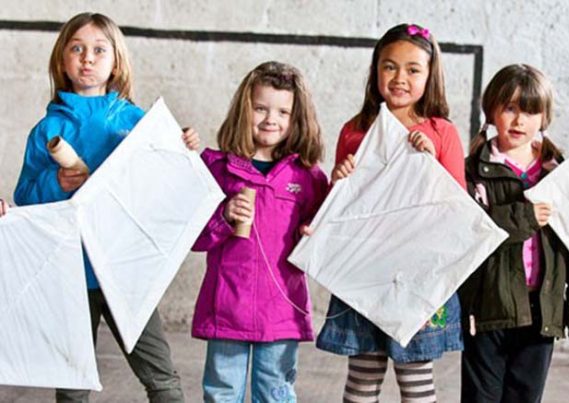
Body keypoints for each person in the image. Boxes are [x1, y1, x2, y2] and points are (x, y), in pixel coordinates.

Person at [13, 12, 198, 402]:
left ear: (116, 61)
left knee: (161, 376)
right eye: (77, 48)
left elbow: (163, 185)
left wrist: (183, 147)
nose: (87, 58)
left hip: (125, 270)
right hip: (71, 273)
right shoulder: (47, 130)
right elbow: (25, 198)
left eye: (99, 50)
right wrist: (55, 182)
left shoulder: (135, 122)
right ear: (61, 60)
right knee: (74, 383)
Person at [316, 23, 466, 403]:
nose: (400, 78)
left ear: (430, 77)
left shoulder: (441, 131)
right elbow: (343, 207)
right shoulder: (355, 129)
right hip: (366, 270)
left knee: (416, 378)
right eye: (389, 66)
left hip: (418, 274)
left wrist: (429, 164)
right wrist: (339, 179)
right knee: (362, 379)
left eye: (413, 69)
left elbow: (458, 208)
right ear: (375, 71)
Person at [460, 63, 569, 403]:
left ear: (544, 117)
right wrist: (524, 216)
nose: (520, 120)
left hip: (541, 313)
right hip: (488, 310)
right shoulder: (473, 170)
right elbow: (469, 235)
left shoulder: (560, 175)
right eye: (510, 108)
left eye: (530, 111)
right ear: (492, 109)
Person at [191, 61, 328, 402]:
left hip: (281, 311)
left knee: (276, 393)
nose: (271, 119)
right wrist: (223, 215)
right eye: (261, 108)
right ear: (244, 110)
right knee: (222, 392)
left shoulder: (307, 177)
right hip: (226, 307)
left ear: (297, 118)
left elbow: (324, 237)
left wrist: (312, 232)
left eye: (283, 111)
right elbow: (192, 237)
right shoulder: (216, 168)